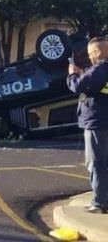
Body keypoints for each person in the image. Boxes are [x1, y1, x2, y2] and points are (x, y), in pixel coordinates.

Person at [67, 36, 108, 214]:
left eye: (91, 53)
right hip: (104, 121)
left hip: (97, 123)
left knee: (95, 163)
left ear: (98, 52)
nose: (90, 57)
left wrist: (72, 74)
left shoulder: (100, 68)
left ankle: (99, 202)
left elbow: (78, 86)